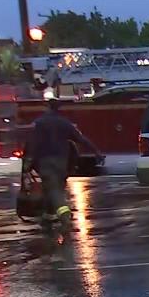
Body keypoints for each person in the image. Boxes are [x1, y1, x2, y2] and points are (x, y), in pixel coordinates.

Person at [26, 97, 102, 236]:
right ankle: (47, 218)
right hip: (62, 162)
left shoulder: (39, 123)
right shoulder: (64, 123)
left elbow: (32, 145)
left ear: (47, 107)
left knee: (54, 190)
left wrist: (27, 165)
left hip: (45, 162)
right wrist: (96, 151)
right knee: (53, 188)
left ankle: (65, 215)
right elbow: (81, 139)